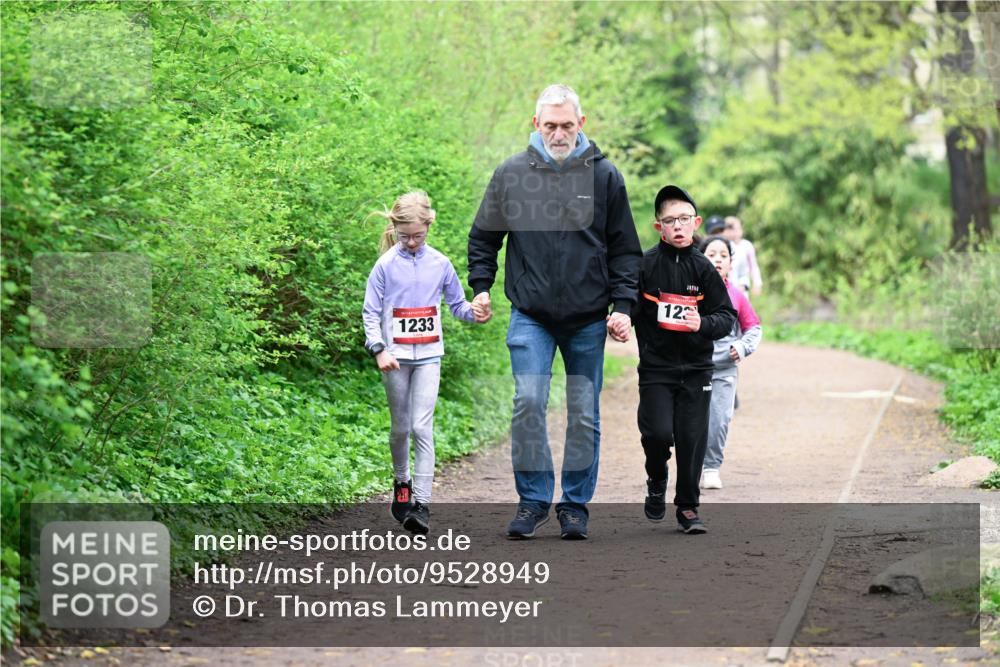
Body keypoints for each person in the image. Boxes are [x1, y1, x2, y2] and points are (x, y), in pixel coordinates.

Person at [467, 84, 642, 540]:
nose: (559, 133)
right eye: (550, 125)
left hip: (587, 318)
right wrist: (482, 287)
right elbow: (484, 237)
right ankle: (533, 500)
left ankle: (574, 505)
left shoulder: (606, 177)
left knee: (583, 412)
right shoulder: (510, 174)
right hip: (531, 314)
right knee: (528, 403)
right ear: (535, 125)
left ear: (581, 124)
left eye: (567, 125)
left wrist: (623, 306)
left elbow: (626, 249)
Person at [363, 191, 487, 535]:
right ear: (395, 230)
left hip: (430, 354)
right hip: (396, 358)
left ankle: (421, 503)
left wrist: (476, 312)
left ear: (428, 226)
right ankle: (401, 481)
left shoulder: (440, 264)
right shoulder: (385, 265)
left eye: (418, 236)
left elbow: (458, 306)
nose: (412, 242)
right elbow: (370, 312)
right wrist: (379, 349)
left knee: (422, 427)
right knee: (401, 428)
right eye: (405, 237)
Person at [633, 185, 736, 534]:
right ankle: (656, 475)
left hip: (696, 368)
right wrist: (618, 320)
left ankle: (688, 507)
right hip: (656, 368)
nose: (678, 226)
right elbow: (628, 306)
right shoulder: (644, 264)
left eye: (684, 219)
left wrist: (701, 324)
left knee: (692, 438)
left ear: (697, 223)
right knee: (658, 434)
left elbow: (725, 317)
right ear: (658, 227)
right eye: (670, 221)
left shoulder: (704, 269)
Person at [697, 235, 762, 490]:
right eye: (711, 255)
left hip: (724, 369)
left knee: (719, 420)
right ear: (700, 259)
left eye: (723, 256)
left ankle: (711, 468)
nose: (717, 260)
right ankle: (689, 465)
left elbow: (754, 328)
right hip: (691, 368)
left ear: (731, 264)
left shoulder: (736, 295)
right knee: (688, 420)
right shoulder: (689, 293)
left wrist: (742, 347)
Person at [723, 215, 764, 297]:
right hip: (726, 287)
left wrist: (757, 283)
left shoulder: (746, 245)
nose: (735, 232)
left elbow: (753, 266)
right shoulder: (724, 245)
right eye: (732, 229)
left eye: (738, 229)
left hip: (742, 286)